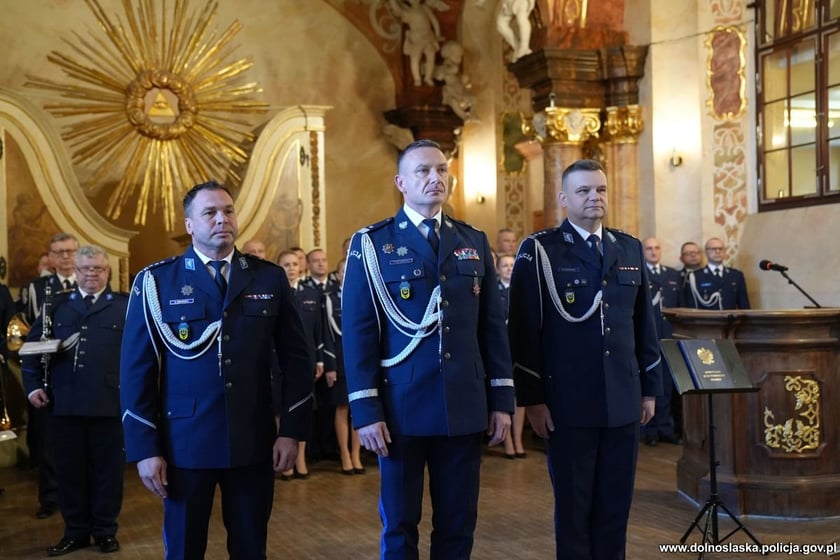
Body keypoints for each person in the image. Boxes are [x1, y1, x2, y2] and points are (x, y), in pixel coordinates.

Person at [119, 181, 314, 559]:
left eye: (228, 211)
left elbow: (297, 360)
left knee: (250, 548)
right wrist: (144, 448)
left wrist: (291, 431)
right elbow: (136, 371)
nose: (222, 219)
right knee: (184, 549)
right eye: (209, 213)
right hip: (184, 444)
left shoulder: (268, 277)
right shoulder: (157, 281)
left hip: (253, 439)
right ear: (189, 224)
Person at [342, 139, 514, 559]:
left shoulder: (472, 239)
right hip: (401, 407)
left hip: (462, 404)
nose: (435, 178)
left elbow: (492, 328)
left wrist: (501, 401)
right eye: (423, 171)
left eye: (441, 169)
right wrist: (366, 411)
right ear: (401, 182)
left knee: (458, 522)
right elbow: (359, 333)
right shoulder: (373, 243)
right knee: (400, 523)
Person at [507, 159, 662, 559]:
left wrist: (649, 389)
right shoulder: (540, 250)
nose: (595, 197)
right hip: (568, 404)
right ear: (564, 198)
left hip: (623, 399)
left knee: (615, 509)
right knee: (574, 511)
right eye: (584, 191)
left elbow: (643, 324)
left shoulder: (628, 247)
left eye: (601, 190)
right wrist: (533, 398)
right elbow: (523, 331)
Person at [22, 245, 127, 556]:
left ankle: (105, 531)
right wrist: (32, 387)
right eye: (85, 269)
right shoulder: (57, 306)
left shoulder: (124, 306)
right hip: (64, 403)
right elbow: (31, 349)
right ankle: (75, 532)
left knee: (108, 473)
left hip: (110, 403)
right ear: (75, 272)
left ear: (108, 271)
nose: (91, 274)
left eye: (98, 268)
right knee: (70, 473)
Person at [18, 232, 79, 520]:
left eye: (70, 251)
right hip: (49, 375)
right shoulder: (36, 289)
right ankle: (50, 497)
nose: (65, 257)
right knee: (48, 443)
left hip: (81, 375)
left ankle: (79, 496)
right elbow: (29, 331)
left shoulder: (90, 282)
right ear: (51, 257)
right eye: (59, 252)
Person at [322, 257, 364, 474]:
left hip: (360, 360)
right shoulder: (329, 298)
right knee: (342, 408)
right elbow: (327, 334)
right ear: (337, 275)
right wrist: (331, 365)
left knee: (358, 408)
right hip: (340, 359)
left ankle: (356, 454)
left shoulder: (364, 294)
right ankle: (345, 454)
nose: (346, 274)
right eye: (342, 271)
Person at [641, 237, 682, 447]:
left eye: (657, 248)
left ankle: (666, 428)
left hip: (669, 337)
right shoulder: (638, 272)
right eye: (649, 248)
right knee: (649, 386)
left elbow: (680, 308)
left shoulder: (673, 275)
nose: (653, 251)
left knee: (666, 385)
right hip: (647, 337)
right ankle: (649, 430)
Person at [496, 254, 526, 460]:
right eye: (505, 265)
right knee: (505, 394)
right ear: (498, 269)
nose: (508, 268)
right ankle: (507, 442)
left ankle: (518, 439)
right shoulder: (495, 291)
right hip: (501, 348)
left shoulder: (521, 290)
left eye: (512, 265)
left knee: (519, 395)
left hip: (518, 348)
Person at [681, 237, 750, 310]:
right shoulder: (695, 276)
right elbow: (691, 307)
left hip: (730, 317)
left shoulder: (736, 275)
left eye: (721, 249)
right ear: (706, 252)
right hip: (706, 317)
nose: (718, 251)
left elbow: (744, 306)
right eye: (713, 249)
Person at [388, 0, 445, 87]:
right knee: (415, 58)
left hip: (428, 37)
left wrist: (438, 34)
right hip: (416, 39)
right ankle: (417, 79)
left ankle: (428, 77)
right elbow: (397, 11)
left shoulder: (425, 8)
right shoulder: (408, 12)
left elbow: (433, 20)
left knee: (431, 57)